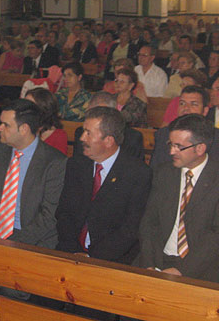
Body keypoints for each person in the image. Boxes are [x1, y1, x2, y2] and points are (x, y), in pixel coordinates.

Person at [137, 114, 219, 282]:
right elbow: (150, 222)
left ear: (200, 148)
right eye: (171, 144)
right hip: (159, 259)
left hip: (201, 266)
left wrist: (181, 270)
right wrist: (149, 264)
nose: (172, 151)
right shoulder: (164, 173)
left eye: (179, 146)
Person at [56, 106, 151, 263]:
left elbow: (130, 229)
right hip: (70, 253)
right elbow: (64, 213)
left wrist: (92, 258)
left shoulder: (137, 174)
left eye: (88, 133)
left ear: (108, 140)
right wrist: (73, 251)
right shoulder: (76, 165)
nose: (82, 138)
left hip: (112, 260)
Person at [0, 98, 66, 252]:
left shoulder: (54, 162)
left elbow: (48, 217)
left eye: (6, 125)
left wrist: (11, 245)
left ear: (24, 129)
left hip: (31, 242)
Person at [151, 85, 219, 171]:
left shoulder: (218, 137)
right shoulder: (164, 134)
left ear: (205, 111)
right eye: (182, 103)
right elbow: (155, 170)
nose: (186, 108)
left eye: (194, 104)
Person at [72, 91, 144, 163]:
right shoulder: (81, 133)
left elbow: (135, 169)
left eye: (99, 114)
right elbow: (79, 164)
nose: (83, 138)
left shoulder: (132, 138)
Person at [25, 87, 68, 155]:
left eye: (30, 106)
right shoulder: (21, 129)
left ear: (43, 109)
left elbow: (58, 162)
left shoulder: (58, 135)